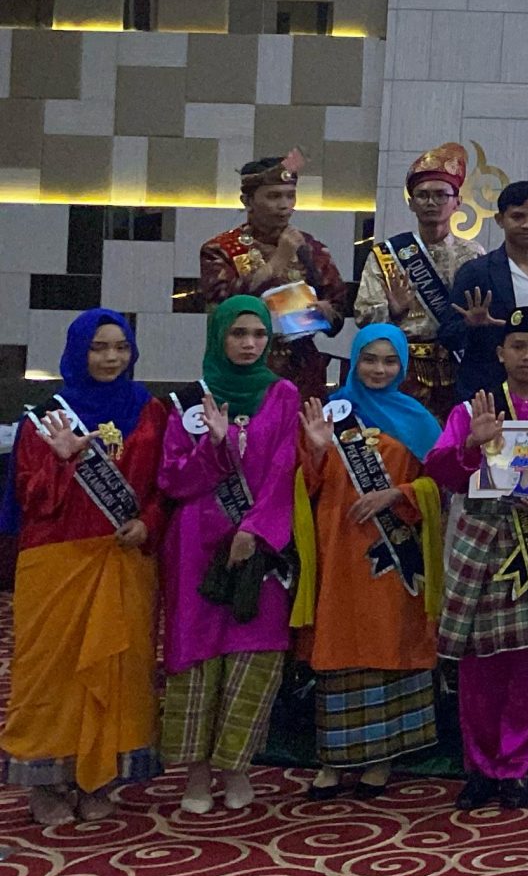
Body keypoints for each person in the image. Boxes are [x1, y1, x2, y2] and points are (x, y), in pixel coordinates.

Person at [423, 305, 528, 810]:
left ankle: (516, 767)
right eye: (518, 346)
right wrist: (472, 445)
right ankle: (480, 767)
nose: (527, 356)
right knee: (478, 663)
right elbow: (439, 470)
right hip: (482, 543)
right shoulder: (473, 409)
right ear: (500, 353)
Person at [1, 311, 165, 824]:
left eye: (120, 347)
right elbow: (30, 498)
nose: (111, 357)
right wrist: (62, 460)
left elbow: (165, 486)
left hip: (124, 558)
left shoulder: (150, 411)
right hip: (57, 561)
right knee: (50, 675)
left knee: (120, 674)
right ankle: (46, 781)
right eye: (98, 348)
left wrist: (148, 523)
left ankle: (100, 777)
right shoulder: (47, 418)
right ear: (77, 351)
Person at [159, 297, 303, 814]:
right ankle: (196, 773)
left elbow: (285, 468)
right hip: (195, 544)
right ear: (218, 336)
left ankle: (236, 766)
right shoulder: (188, 401)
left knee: (253, 649)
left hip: (260, 545)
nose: (249, 344)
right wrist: (214, 447)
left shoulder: (283, 394)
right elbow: (172, 479)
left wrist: (256, 531)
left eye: (258, 335)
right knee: (196, 653)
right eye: (238, 334)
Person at [292, 324, 444, 797]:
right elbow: (304, 486)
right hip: (338, 552)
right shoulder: (331, 415)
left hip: (394, 559)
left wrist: (397, 494)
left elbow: (440, 486)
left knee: (389, 643)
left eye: (389, 360)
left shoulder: (419, 420)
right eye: (370, 359)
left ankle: (381, 760)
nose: (379, 369)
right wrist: (316, 451)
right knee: (338, 644)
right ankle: (333, 760)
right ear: (354, 361)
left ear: (403, 365)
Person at [197, 153, 349, 398]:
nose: (284, 205)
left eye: (290, 196)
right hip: (241, 369)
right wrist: (277, 262)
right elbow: (221, 308)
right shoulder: (221, 250)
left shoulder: (311, 248)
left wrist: (326, 313)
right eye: (274, 196)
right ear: (247, 201)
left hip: (301, 371)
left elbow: (338, 312)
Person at [350, 142, 475, 417]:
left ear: (457, 202)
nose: (431, 202)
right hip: (403, 368)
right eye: (422, 195)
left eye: (441, 195)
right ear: (410, 202)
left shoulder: (474, 255)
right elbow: (363, 314)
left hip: (458, 367)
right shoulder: (387, 254)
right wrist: (394, 311)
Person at [445, 180, 528, 407]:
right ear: (500, 220)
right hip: (486, 392)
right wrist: (471, 324)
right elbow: (447, 335)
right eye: (518, 217)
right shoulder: (476, 272)